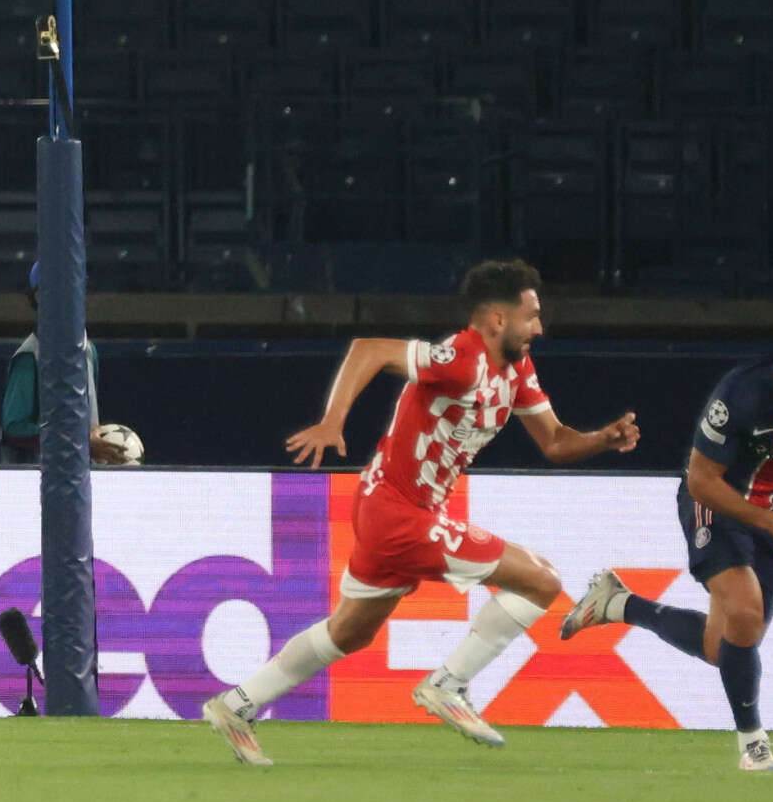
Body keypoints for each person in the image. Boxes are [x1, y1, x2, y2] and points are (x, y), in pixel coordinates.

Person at [200, 256, 639, 767]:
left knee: (349, 632)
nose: (539, 327)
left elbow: (557, 442)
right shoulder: (462, 357)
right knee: (542, 580)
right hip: (398, 514)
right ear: (498, 319)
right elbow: (370, 350)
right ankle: (447, 685)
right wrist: (332, 421)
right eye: (531, 316)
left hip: (394, 511)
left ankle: (236, 705)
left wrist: (602, 439)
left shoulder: (516, 368)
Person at [564, 287, 773, 776]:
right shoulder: (742, 393)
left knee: (722, 648)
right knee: (746, 613)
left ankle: (619, 604)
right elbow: (700, 479)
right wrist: (769, 520)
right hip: (717, 503)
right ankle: (753, 745)